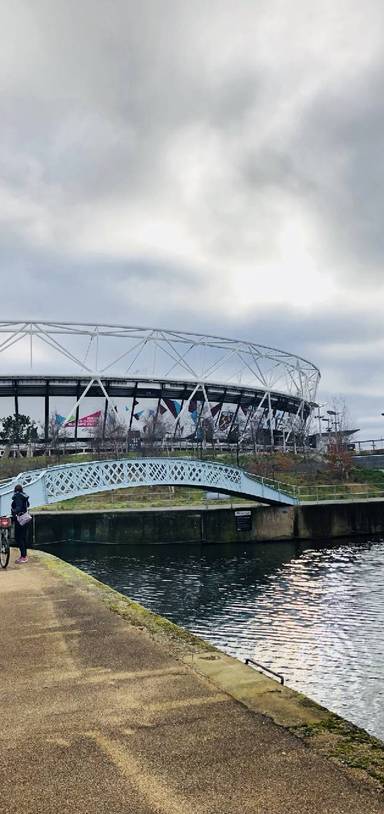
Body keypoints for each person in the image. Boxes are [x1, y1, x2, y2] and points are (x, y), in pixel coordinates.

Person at [11, 484, 30, 564]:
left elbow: (18, 507)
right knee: (23, 537)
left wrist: (14, 511)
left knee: (18, 538)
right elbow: (28, 505)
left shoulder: (18, 496)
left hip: (20, 519)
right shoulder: (24, 496)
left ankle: (23, 557)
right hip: (25, 518)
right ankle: (24, 555)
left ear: (15, 490)